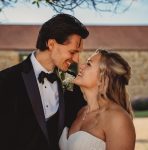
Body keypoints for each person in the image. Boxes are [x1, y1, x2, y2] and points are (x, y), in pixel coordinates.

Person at [0, 14, 89, 150]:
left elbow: (83, 116)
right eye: (72, 52)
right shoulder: (6, 80)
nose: (76, 59)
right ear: (51, 44)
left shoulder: (69, 79)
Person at [59, 49, 136, 150]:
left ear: (103, 79)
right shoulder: (81, 112)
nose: (81, 66)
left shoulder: (118, 119)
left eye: (89, 64)